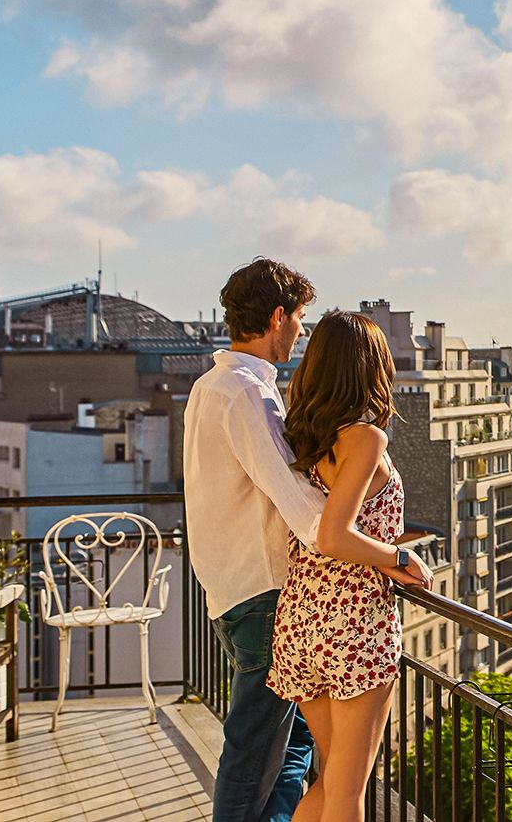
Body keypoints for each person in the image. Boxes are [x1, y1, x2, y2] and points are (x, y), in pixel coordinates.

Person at [268, 312, 433, 822]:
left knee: (332, 779)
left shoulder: (310, 439)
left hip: (302, 618)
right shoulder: (365, 438)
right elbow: (335, 535)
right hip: (354, 621)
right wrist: (400, 558)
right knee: (346, 792)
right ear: (371, 368)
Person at [185, 259, 333, 822]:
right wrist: (383, 553)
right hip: (263, 595)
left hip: (233, 590)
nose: (301, 331)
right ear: (277, 317)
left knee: (288, 742)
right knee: (255, 751)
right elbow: (303, 510)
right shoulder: (249, 395)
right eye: (300, 318)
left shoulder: (210, 386)